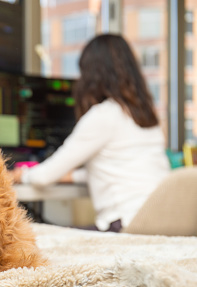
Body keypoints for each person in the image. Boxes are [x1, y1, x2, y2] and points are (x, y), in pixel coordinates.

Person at [11, 34, 170, 232]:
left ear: (92, 75)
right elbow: (124, 168)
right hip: (160, 222)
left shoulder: (103, 115)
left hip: (127, 224)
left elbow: (44, 177)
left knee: (38, 235)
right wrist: (74, 177)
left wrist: (20, 175)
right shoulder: (146, 117)